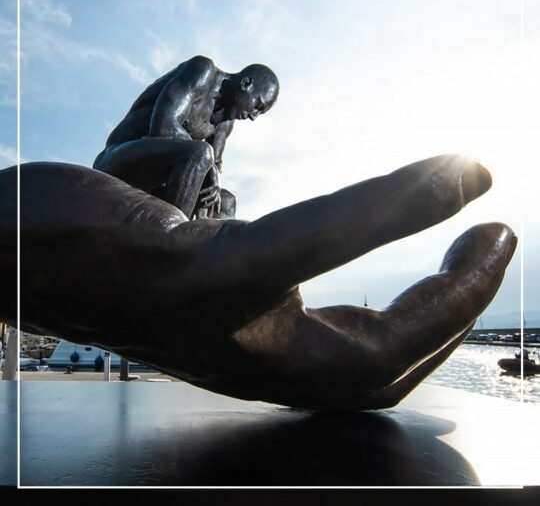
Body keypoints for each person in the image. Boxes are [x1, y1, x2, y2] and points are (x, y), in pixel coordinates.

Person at [0, 154, 517, 410]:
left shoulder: (194, 274)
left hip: (59, 233)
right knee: (377, 365)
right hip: (67, 238)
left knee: (377, 363)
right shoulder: (200, 278)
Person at [93, 55, 279, 219]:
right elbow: (163, 127)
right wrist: (210, 165)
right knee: (201, 152)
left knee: (226, 201)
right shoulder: (203, 71)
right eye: (258, 106)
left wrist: (213, 176)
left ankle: (204, 255)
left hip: (159, 180)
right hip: (119, 157)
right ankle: (172, 237)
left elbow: (213, 169)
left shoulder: (225, 122)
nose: (254, 116)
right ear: (246, 84)